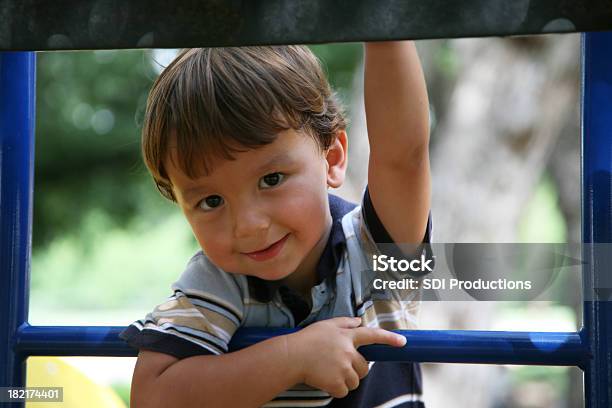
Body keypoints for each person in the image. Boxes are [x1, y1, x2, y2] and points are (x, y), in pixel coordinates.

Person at [120, 41, 432, 407]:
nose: (248, 226)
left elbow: (403, 157)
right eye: (211, 201)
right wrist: (291, 357)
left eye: (272, 180)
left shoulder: (375, 251)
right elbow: (152, 397)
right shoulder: (218, 281)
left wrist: (386, 30)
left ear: (331, 159)